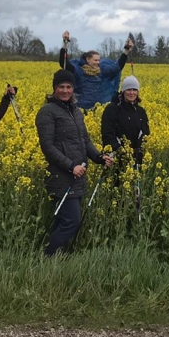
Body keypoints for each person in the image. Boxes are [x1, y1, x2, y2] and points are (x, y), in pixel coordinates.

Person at [36, 69, 114, 256]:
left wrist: (99, 157)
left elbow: (85, 141)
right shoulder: (47, 112)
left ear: (73, 89)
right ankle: (47, 256)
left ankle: (56, 258)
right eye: (61, 87)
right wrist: (71, 166)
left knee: (63, 220)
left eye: (68, 87)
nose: (65, 91)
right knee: (72, 221)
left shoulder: (76, 112)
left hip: (78, 174)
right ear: (54, 88)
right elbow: (47, 146)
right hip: (61, 174)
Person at [58, 31, 132, 111]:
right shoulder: (79, 70)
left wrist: (126, 50)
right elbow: (64, 63)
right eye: (95, 60)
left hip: (97, 108)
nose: (98, 63)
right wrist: (65, 44)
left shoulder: (102, 71)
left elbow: (117, 67)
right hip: (79, 108)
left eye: (99, 60)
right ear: (87, 59)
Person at [101, 75, 150, 169]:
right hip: (115, 158)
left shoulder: (141, 112)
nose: (132, 93)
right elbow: (107, 134)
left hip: (135, 159)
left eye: (134, 90)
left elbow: (145, 133)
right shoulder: (112, 109)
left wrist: (139, 151)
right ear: (123, 91)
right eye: (128, 90)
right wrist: (120, 151)